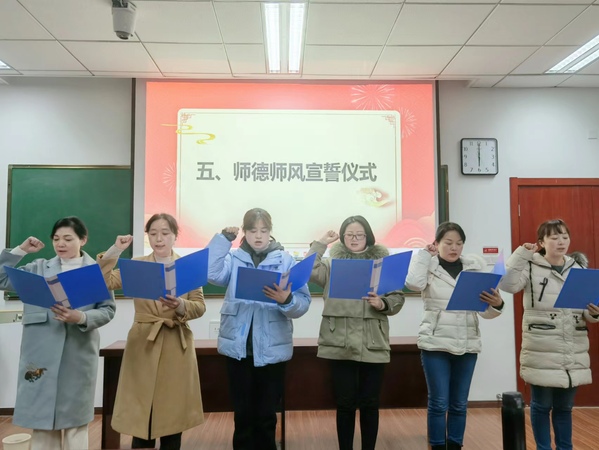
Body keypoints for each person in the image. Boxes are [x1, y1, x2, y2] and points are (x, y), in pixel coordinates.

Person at [0, 216, 116, 450]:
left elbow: (107, 309)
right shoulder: (38, 267)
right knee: (42, 422)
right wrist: (21, 250)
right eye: (56, 239)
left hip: (78, 352)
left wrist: (80, 317)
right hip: (39, 353)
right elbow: (2, 279)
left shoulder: (95, 271)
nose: (61, 244)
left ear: (83, 240)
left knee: (75, 422)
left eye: (68, 239)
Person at [97, 213, 206, 450]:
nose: (159, 238)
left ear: (175, 236)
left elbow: (199, 306)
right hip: (143, 342)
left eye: (165, 233)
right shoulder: (138, 265)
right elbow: (104, 281)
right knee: (142, 408)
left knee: (172, 410)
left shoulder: (188, 267)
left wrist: (180, 305)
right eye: (153, 233)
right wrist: (116, 250)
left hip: (176, 343)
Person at [207, 207, 311, 450]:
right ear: (245, 232)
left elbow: (303, 303)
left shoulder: (286, 260)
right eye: (253, 230)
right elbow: (212, 274)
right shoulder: (233, 258)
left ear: (270, 232)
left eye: (264, 230)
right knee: (242, 415)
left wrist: (286, 300)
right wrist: (222, 240)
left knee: (266, 416)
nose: (258, 236)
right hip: (238, 349)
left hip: (272, 350)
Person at [498, 219, 599, 450]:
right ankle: (543, 447)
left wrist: (595, 313)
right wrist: (521, 254)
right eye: (554, 237)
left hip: (572, 347)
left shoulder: (579, 268)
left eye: (564, 236)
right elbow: (506, 284)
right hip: (541, 346)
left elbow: (587, 311)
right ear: (541, 242)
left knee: (564, 408)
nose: (561, 242)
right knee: (541, 406)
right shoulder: (530, 265)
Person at [307, 215, 405, 450]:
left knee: (370, 403)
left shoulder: (383, 264)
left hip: (373, 341)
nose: (354, 239)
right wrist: (320, 243)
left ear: (368, 237)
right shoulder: (331, 264)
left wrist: (382, 303)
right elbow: (308, 271)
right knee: (345, 403)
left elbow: (397, 298)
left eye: (359, 235)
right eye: (349, 235)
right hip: (339, 341)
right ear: (342, 237)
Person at [405, 221, 504, 450]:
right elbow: (413, 284)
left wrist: (498, 304)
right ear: (437, 243)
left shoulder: (475, 270)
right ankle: (437, 445)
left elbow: (485, 312)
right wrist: (424, 255)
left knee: (459, 403)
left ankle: (456, 445)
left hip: (467, 344)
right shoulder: (428, 266)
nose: (454, 247)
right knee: (439, 402)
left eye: (459, 243)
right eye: (448, 242)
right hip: (435, 344)